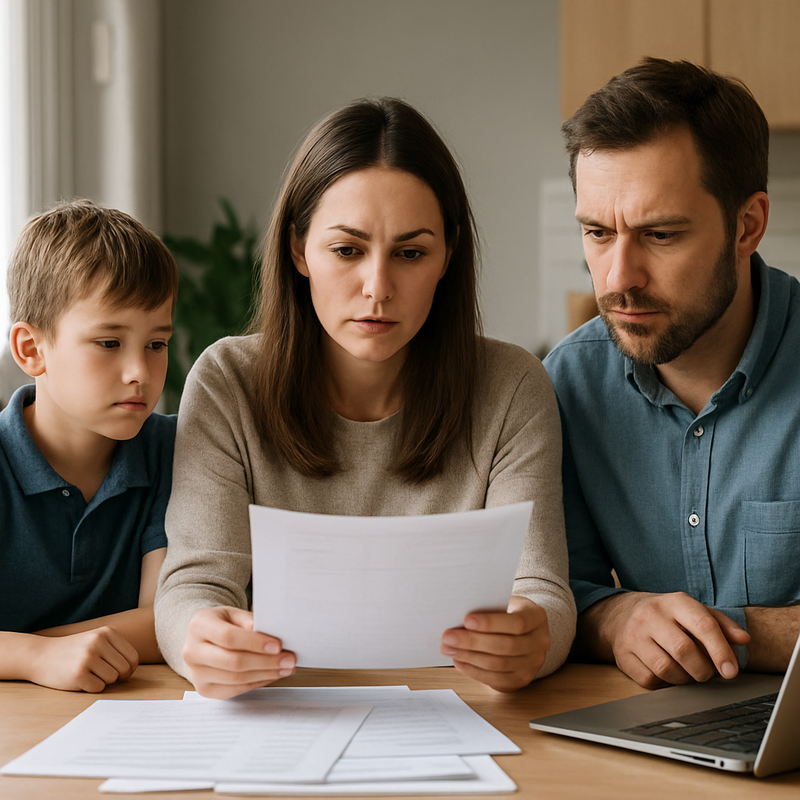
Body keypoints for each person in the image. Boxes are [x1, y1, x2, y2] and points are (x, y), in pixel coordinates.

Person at [155, 97, 576, 698]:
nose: (377, 288)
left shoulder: (511, 386)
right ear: (299, 249)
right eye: (347, 250)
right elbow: (194, 584)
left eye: (410, 253)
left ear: (448, 256)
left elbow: (543, 592)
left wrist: (534, 637)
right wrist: (198, 635)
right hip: (281, 713)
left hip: (459, 715)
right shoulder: (227, 380)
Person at [544, 58, 800, 690]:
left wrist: (724, 631)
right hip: (644, 743)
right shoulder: (567, 386)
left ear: (748, 225)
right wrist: (618, 619)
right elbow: (547, 592)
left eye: (659, 234)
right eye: (598, 233)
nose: (617, 278)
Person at [0, 199, 178, 692]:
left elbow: (167, 621)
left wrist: (16, 646)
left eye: (156, 344)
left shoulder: (174, 450)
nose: (140, 372)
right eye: (108, 343)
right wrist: (35, 656)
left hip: (137, 719)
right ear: (31, 350)